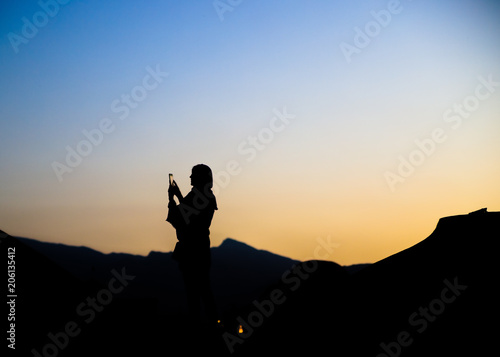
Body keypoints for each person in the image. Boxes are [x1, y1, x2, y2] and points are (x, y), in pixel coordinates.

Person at [166, 164, 218, 325]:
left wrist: (171, 200)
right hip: (200, 248)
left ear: (200, 178)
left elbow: (181, 218)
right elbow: (188, 211)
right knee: (203, 289)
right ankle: (212, 324)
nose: (190, 178)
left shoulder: (199, 195)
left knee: (194, 292)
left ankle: (200, 327)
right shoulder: (206, 196)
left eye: (193, 175)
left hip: (192, 250)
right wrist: (179, 196)